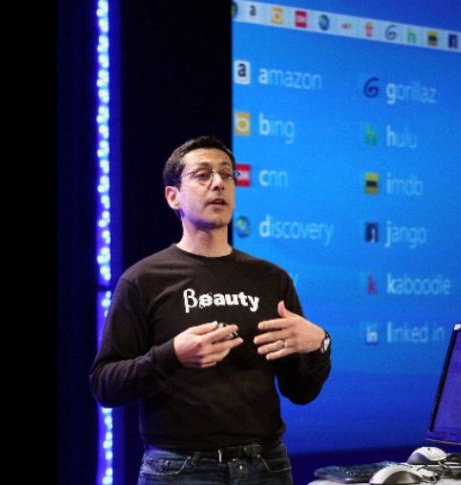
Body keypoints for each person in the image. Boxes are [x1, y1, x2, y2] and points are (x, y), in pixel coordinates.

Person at [90, 135, 331, 484]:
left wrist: (319, 345)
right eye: (202, 175)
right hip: (179, 469)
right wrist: (172, 355)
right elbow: (105, 385)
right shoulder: (144, 279)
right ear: (173, 196)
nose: (218, 183)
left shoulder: (271, 279)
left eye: (227, 174)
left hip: (266, 465)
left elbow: (301, 392)